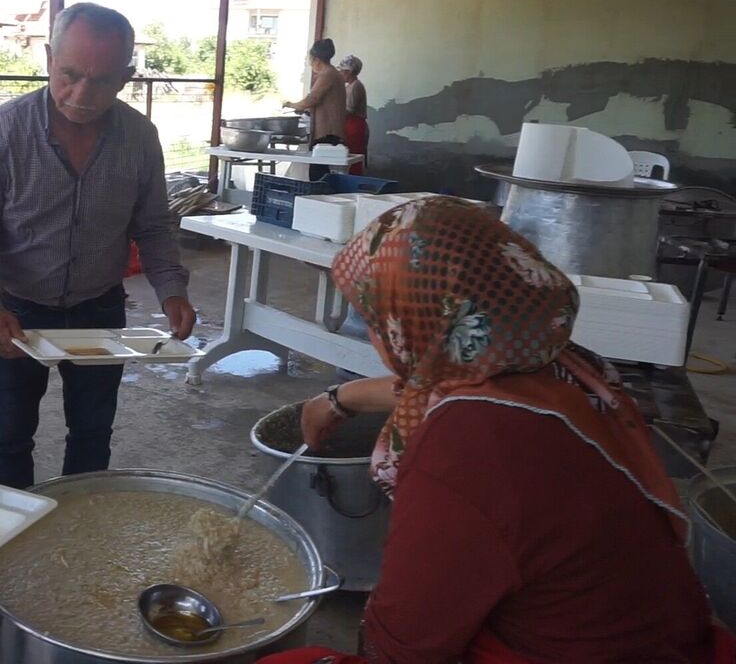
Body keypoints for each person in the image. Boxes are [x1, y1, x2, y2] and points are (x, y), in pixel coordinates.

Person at [261, 197, 731, 664]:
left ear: (413, 319)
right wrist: (341, 399)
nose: (377, 332)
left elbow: (409, 643)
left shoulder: (468, 447)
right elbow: (446, 384)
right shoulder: (565, 365)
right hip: (665, 636)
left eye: (374, 315)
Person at [0, 3, 196, 489]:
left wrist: (171, 290)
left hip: (99, 308)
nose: (82, 94)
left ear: (126, 77)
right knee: (9, 433)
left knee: (91, 432)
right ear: (48, 59)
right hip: (17, 310)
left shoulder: (140, 138)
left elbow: (152, 225)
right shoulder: (5, 130)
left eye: (103, 80)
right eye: (69, 74)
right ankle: (13, 532)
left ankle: (80, 529)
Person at [283, 37, 346, 146]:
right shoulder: (333, 73)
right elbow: (323, 102)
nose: (309, 64)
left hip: (327, 131)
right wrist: (306, 110)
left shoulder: (327, 74)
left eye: (310, 59)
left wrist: (291, 104)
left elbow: (312, 99)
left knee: (320, 162)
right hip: (331, 129)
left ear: (317, 60)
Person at [339, 54, 367, 175]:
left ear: (349, 72)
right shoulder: (350, 86)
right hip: (350, 125)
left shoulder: (356, 86)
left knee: (353, 158)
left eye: (342, 71)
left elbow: (349, 110)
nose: (340, 73)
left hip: (355, 125)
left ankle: (354, 186)